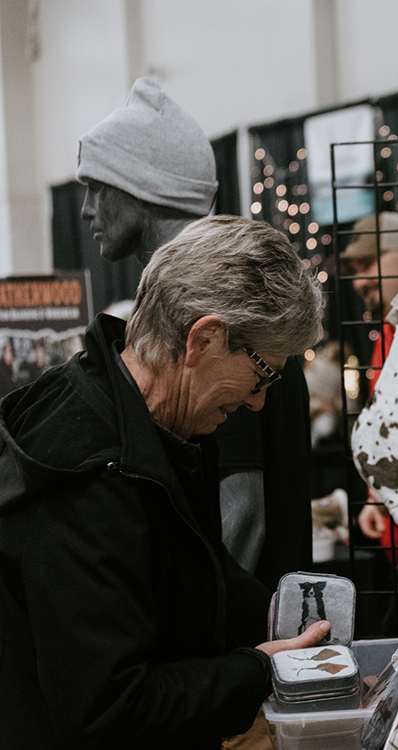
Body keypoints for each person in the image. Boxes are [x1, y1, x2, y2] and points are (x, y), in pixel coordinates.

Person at [0, 216, 329, 749]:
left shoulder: (143, 419)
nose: (258, 401)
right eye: (263, 373)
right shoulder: (88, 473)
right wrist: (255, 670)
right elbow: (108, 707)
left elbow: (195, 570)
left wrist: (286, 619)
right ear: (204, 339)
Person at [76, 77, 313, 589]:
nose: (87, 209)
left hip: (246, 624)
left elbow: (241, 513)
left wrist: (203, 624)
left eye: (98, 187)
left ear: (141, 189)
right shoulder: (228, 291)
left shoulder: (213, 303)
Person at [339, 212, 398, 553]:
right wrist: (376, 496)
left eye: (368, 265)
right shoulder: (389, 330)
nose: (358, 282)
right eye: (355, 270)